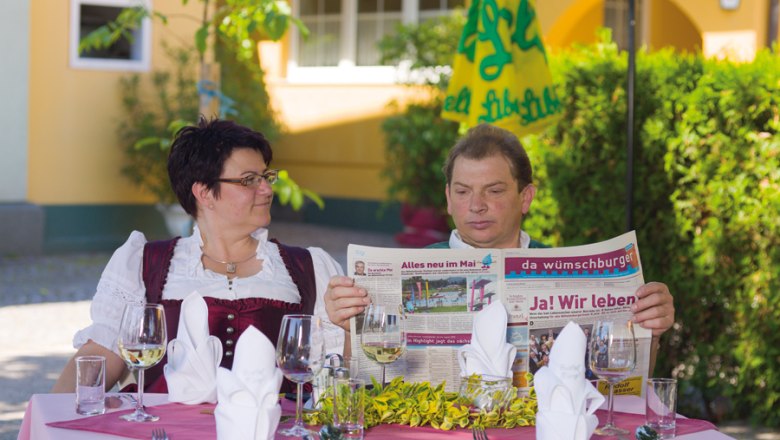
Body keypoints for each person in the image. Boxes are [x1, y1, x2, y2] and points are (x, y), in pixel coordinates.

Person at [324, 123, 674, 369]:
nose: (476, 205)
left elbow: (622, 380)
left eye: (493, 191)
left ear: (526, 197)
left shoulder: (565, 266)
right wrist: (349, 328)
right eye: (462, 192)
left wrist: (651, 332)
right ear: (447, 198)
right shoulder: (413, 267)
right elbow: (366, 381)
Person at [52, 118, 344, 393]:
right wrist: (52, 415)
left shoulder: (308, 268)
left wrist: (347, 327)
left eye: (266, 176)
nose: (267, 189)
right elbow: (101, 354)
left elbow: (341, 374)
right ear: (204, 193)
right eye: (249, 180)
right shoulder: (144, 264)